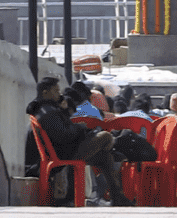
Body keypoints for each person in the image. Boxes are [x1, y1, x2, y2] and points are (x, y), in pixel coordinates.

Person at [26, 78, 133, 206]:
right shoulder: (47, 112)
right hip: (63, 154)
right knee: (105, 137)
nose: (59, 94)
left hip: (63, 150)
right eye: (56, 91)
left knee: (105, 157)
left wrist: (65, 111)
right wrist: (81, 127)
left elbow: (63, 130)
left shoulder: (47, 109)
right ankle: (116, 148)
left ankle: (118, 197)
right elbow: (64, 136)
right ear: (45, 92)